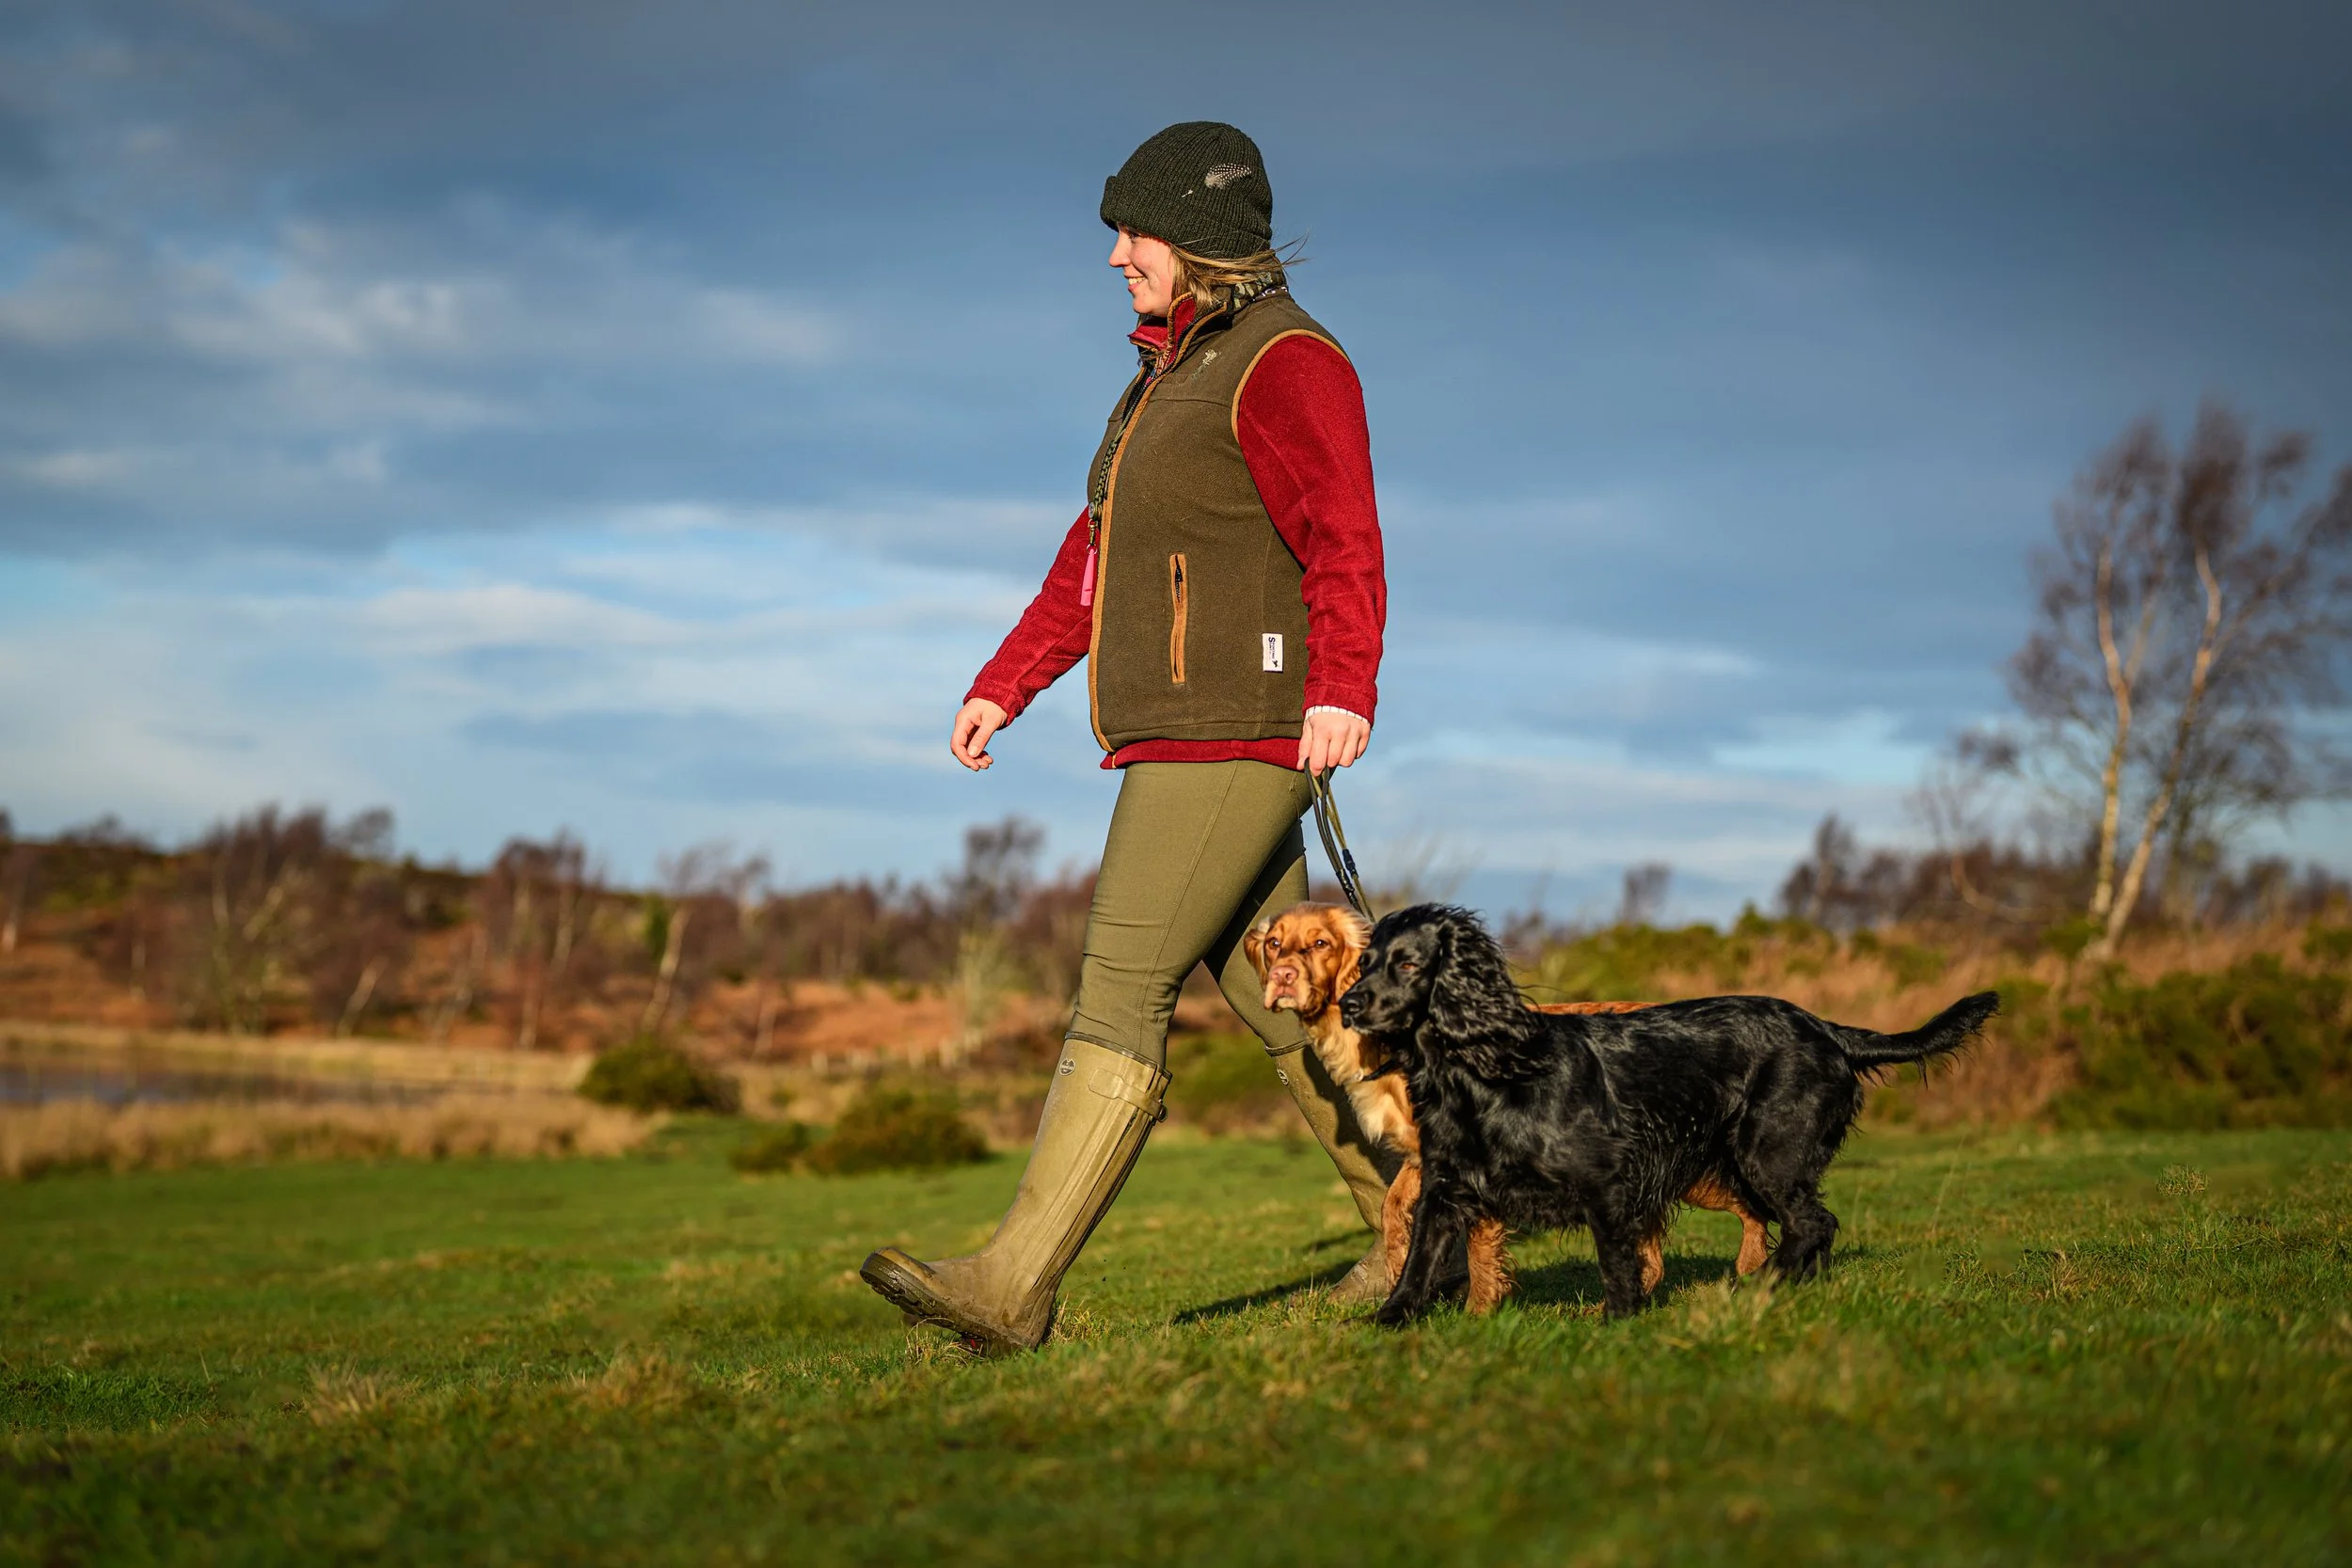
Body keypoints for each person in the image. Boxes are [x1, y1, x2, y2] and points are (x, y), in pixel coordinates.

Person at [860, 121, 1391, 1354]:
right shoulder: (1162, 379)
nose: (1114, 256)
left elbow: (1344, 534)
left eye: (1132, 231)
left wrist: (1342, 685)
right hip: (1182, 729)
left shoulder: (1287, 361)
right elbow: (1092, 556)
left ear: (1194, 240)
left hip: (1236, 730)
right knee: (1285, 1007)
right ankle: (1419, 1229)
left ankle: (1013, 1285)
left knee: (1119, 984)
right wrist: (1010, 679)